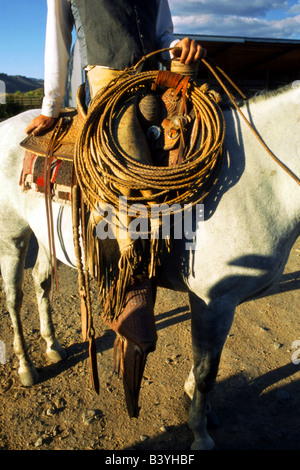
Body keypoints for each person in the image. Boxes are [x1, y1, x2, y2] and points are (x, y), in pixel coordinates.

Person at [25, 0, 206, 136]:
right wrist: (51, 106)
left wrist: (176, 47)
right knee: (125, 167)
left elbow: (162, 37)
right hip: (106, 90)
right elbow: (58, 40)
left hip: (152, 84)